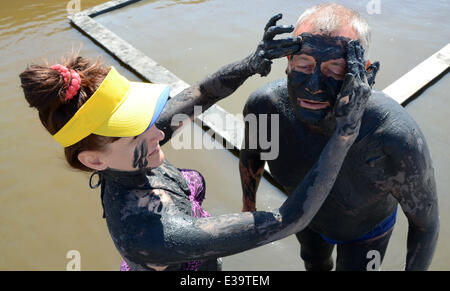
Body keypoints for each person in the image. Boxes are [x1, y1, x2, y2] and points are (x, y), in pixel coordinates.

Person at [20, 15, 368, 271]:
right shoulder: (149, 232)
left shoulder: (133, 155)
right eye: (137, 131)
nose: (159, 133)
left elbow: (202, 93)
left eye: (146, 121)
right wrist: (345, 131)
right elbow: (289, 218)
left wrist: (253, 61)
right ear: (94, 161)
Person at [239, 4, 439, 271]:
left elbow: (425, 225)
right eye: (303, 65)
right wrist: (248, 208)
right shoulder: (265, 109)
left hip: (368, 232)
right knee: (314, 263)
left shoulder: (393, 136)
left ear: (363, 74)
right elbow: (251, 157)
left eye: (335, 72)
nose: (313, 87)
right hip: (304, 219)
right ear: (287, 63)